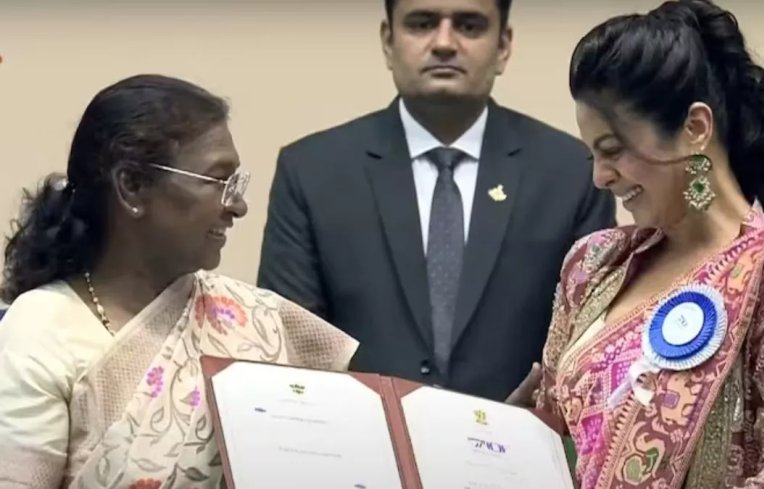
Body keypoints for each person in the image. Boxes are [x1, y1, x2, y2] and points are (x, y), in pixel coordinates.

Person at [511, 0, 764, 486]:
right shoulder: (592, 266)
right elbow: (552, 431)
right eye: (592, 154)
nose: (599, 177)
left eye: (613, 150)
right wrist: (506, 439)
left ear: (695, 129)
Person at [0, 75, 357, 488]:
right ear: (131, 186)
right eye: (217, 181)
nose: (237, 206)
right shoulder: (43, 330)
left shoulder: (248, 319)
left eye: (235, 183)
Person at [257, 0, 615, 401]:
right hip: (358, 452)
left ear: (503, 46)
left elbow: (589, 348)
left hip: (518, 452)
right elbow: (291, 348)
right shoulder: (312, 170)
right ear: (388, 42)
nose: (444, 43)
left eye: (469, 25)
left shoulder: (573, 172)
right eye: (422, 23)